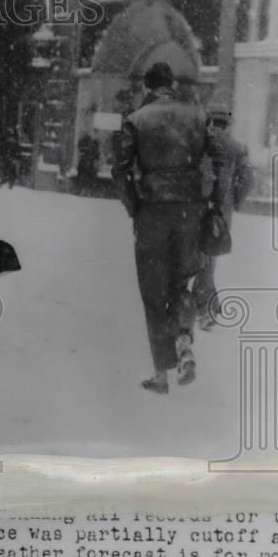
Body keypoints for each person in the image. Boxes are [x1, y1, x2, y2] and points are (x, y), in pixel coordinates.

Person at [112, 62, 225, 394]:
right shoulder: (197, 115)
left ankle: (162, 372)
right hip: (191, 211)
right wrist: (212, 204)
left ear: (148, 87)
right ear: (172, 84)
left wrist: (134, 205)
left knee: (153, 290)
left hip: (152, 213)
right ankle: (185, 343)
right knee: (182, 283)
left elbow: (120, 169)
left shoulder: (137, 119)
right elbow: (220, 160)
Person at [194, 103, 254, 330]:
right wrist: (234, 201)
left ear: (209, 121)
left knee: (199, 258)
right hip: (221, 211)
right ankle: (208, 308)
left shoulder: (200, 144)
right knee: (209, 257)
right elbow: (247, 180)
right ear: (228, 123)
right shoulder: (237, 148)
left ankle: (206, 308)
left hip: (197, 207)